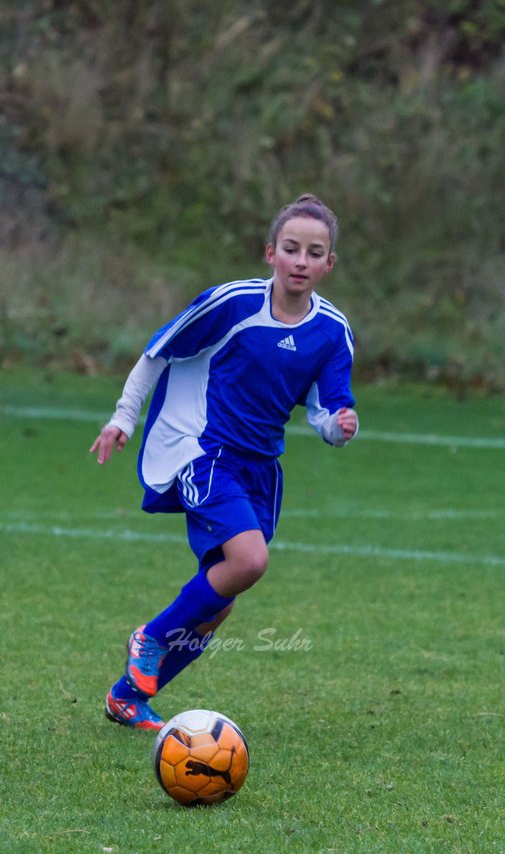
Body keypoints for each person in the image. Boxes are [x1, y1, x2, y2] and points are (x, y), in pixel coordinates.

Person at [89, 194, 358, 731]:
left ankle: (127, 697)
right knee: (250, 561)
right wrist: (122, 417)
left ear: (329, 264)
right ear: (270, 253)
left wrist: (340, 426)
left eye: (314, 252)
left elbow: (327, 412)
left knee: (219, 602)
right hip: (206, 452)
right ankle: (149, 638)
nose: (300, 261)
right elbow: (158, 351)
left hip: (262, 470)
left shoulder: (333, 331)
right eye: (290, 249)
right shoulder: (232, 304)